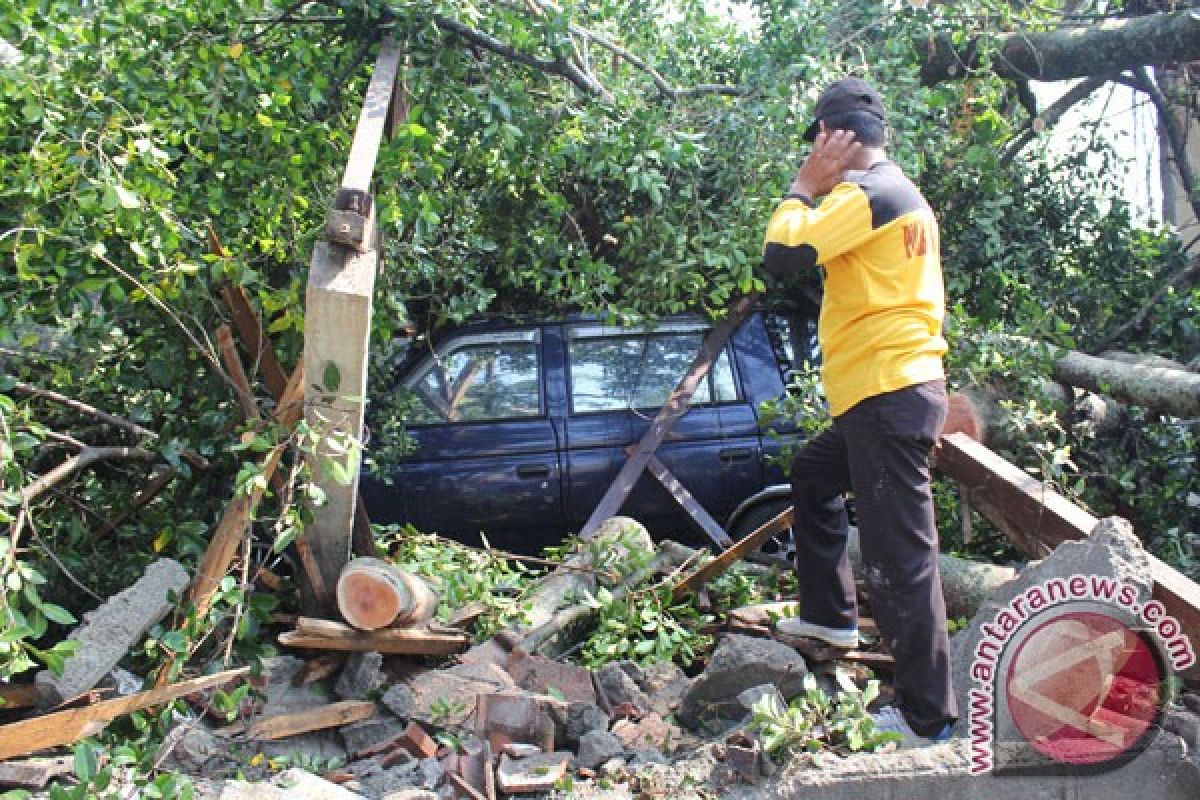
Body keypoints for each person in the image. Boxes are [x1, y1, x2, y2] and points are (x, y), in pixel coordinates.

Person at [760, 77, 957, 742]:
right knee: (814, 475)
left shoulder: (868, 193)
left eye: (818, 142)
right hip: (883, 394)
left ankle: (928, 720)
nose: (816, 153)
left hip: (887, 395)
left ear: (833, 138)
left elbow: (781, 255)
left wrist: (802, 183)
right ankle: (831, 616)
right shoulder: (897, 195)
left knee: (902, 558)